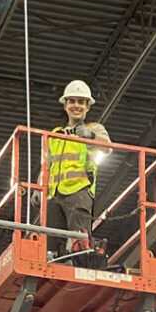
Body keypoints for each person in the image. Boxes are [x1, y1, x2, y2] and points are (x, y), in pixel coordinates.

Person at [45, 80, 111, 261]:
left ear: (88, 106)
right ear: (65, 105)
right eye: (72, 101)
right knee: (50, 242)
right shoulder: (55, 134)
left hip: (79, 191)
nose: (76, 106)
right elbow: (47, 165)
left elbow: (107, 147)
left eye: (81, 102)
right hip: (54, 194)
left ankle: (82, 265)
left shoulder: (94, 129)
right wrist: (38, 187)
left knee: (80, 240)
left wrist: (90, 137)